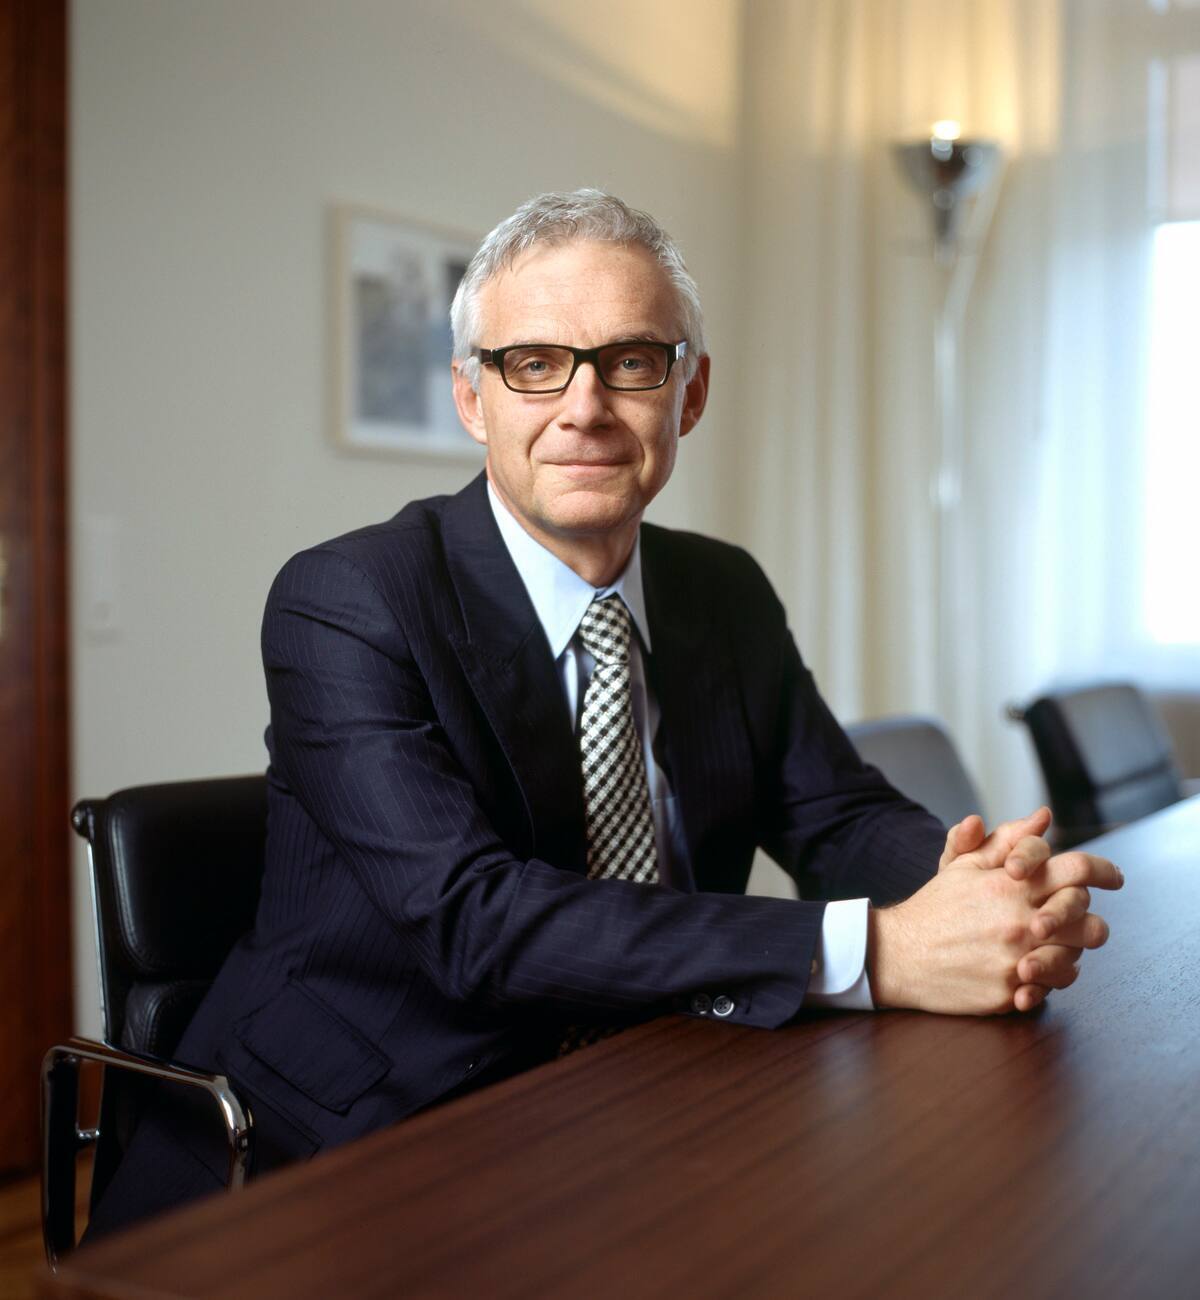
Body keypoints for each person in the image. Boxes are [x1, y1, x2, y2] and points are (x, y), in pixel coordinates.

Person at [88, 189, 1120, 1237]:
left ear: (690, 392)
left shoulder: (722, 591)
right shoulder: (349, 600)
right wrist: (878, 949)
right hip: (353, 1140)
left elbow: (836, 812)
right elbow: (474, 920)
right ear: (472, 398)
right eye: (534, 363)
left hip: (651, 1086)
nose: (584, 407)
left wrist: (982, 888)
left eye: (630, 362)